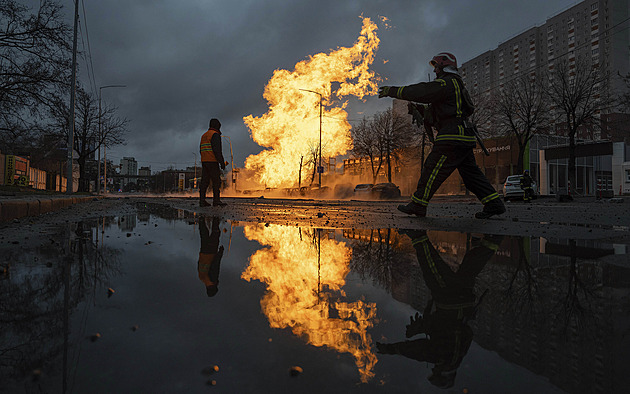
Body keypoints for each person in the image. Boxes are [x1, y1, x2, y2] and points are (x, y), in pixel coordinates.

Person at [378, 52, 505, 219]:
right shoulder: (455, 86)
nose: (435, 71)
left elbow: (422, 91)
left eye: (437, 67)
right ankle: (494, 203)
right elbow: (441, 114)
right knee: (471, 176)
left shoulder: (447, 83)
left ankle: (418, 204)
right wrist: (420, 111)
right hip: (462, 137)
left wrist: (393, 91)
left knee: (432, 168)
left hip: (452, 137)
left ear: (445, 67)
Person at [376, 230, 503, 388]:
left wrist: (426, 327)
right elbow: (417, 351)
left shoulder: (459, 354)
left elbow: (460, 332)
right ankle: (418, 237)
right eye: (436, 371)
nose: (434, 367)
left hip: (464, 302)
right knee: (431, 269)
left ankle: (493, 240)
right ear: (442, 372)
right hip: (449, 300)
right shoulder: (444, 358)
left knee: (469, 267)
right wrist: (392, 349)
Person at [199, 118, 227, 207]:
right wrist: (222, 163)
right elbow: (217, 150)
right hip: (212, 161)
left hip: (204, 161)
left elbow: (201, 149)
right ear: (217, 126)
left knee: (204, 182)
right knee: (216, 181)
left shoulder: (204, 135)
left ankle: (202, 201)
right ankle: (216, 200)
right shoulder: (215, 135)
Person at [198, 216, 224, 297]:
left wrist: (220, 253)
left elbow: (215, 265)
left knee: (215, 233)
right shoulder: (201, 278)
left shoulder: (212, 280)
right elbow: (198, 263)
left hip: (211, 252)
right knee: (204, 233)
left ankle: (216, 214)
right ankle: (201, 217)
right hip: (203, 251)